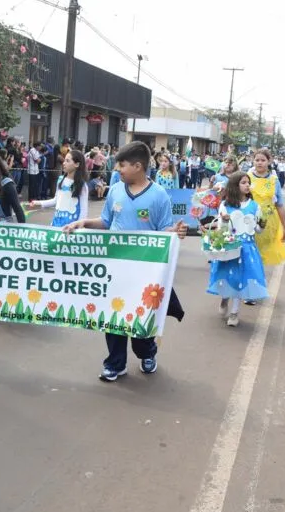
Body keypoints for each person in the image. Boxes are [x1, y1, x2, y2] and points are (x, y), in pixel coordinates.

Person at [62, 141, 187, 382]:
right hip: (115, 266)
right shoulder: (117, 189)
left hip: (144, 270)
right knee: (114, 315)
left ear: (138, 166)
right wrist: (84, 222)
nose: (118, 169)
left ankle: (147, 352)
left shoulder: (159, 195)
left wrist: (175, 232)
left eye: (122, 165)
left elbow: (164, 231)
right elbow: (108, 220)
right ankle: (115, 363)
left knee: (140, 319)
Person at [206, 171, 268, 327]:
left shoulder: (255, 206)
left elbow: (258, 230)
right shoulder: (225, 205)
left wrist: (262, 225)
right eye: (243, 182)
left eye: (248, 182)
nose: (247, 185)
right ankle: (225, 298)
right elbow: (221, 228)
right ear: (235, 185)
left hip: (247, 248)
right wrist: (225, 221)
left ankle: (234, 312)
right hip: (230, 247)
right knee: (228, 277)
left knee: (241, 279)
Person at [247, 150, 285, 268]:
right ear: (253, 161)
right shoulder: (247, 178)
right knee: (249, 252)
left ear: (269, 161)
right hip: (248, 219)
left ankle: (258, 278)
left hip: (267, 222)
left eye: (263, 160)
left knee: (261, 254)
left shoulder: (274, 181)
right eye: (257, 160)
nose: (259, 163)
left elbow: (279, 205)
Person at [29, 150, 89, 227]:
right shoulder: (61, 180)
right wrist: (38, 203)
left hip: (71, 227)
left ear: (77, 164)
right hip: (56, 224)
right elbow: (56, 200)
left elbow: (84, 211)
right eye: (64, 160)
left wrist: (78, 228)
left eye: (67, 161)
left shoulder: (82, 185)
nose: (64, 163)